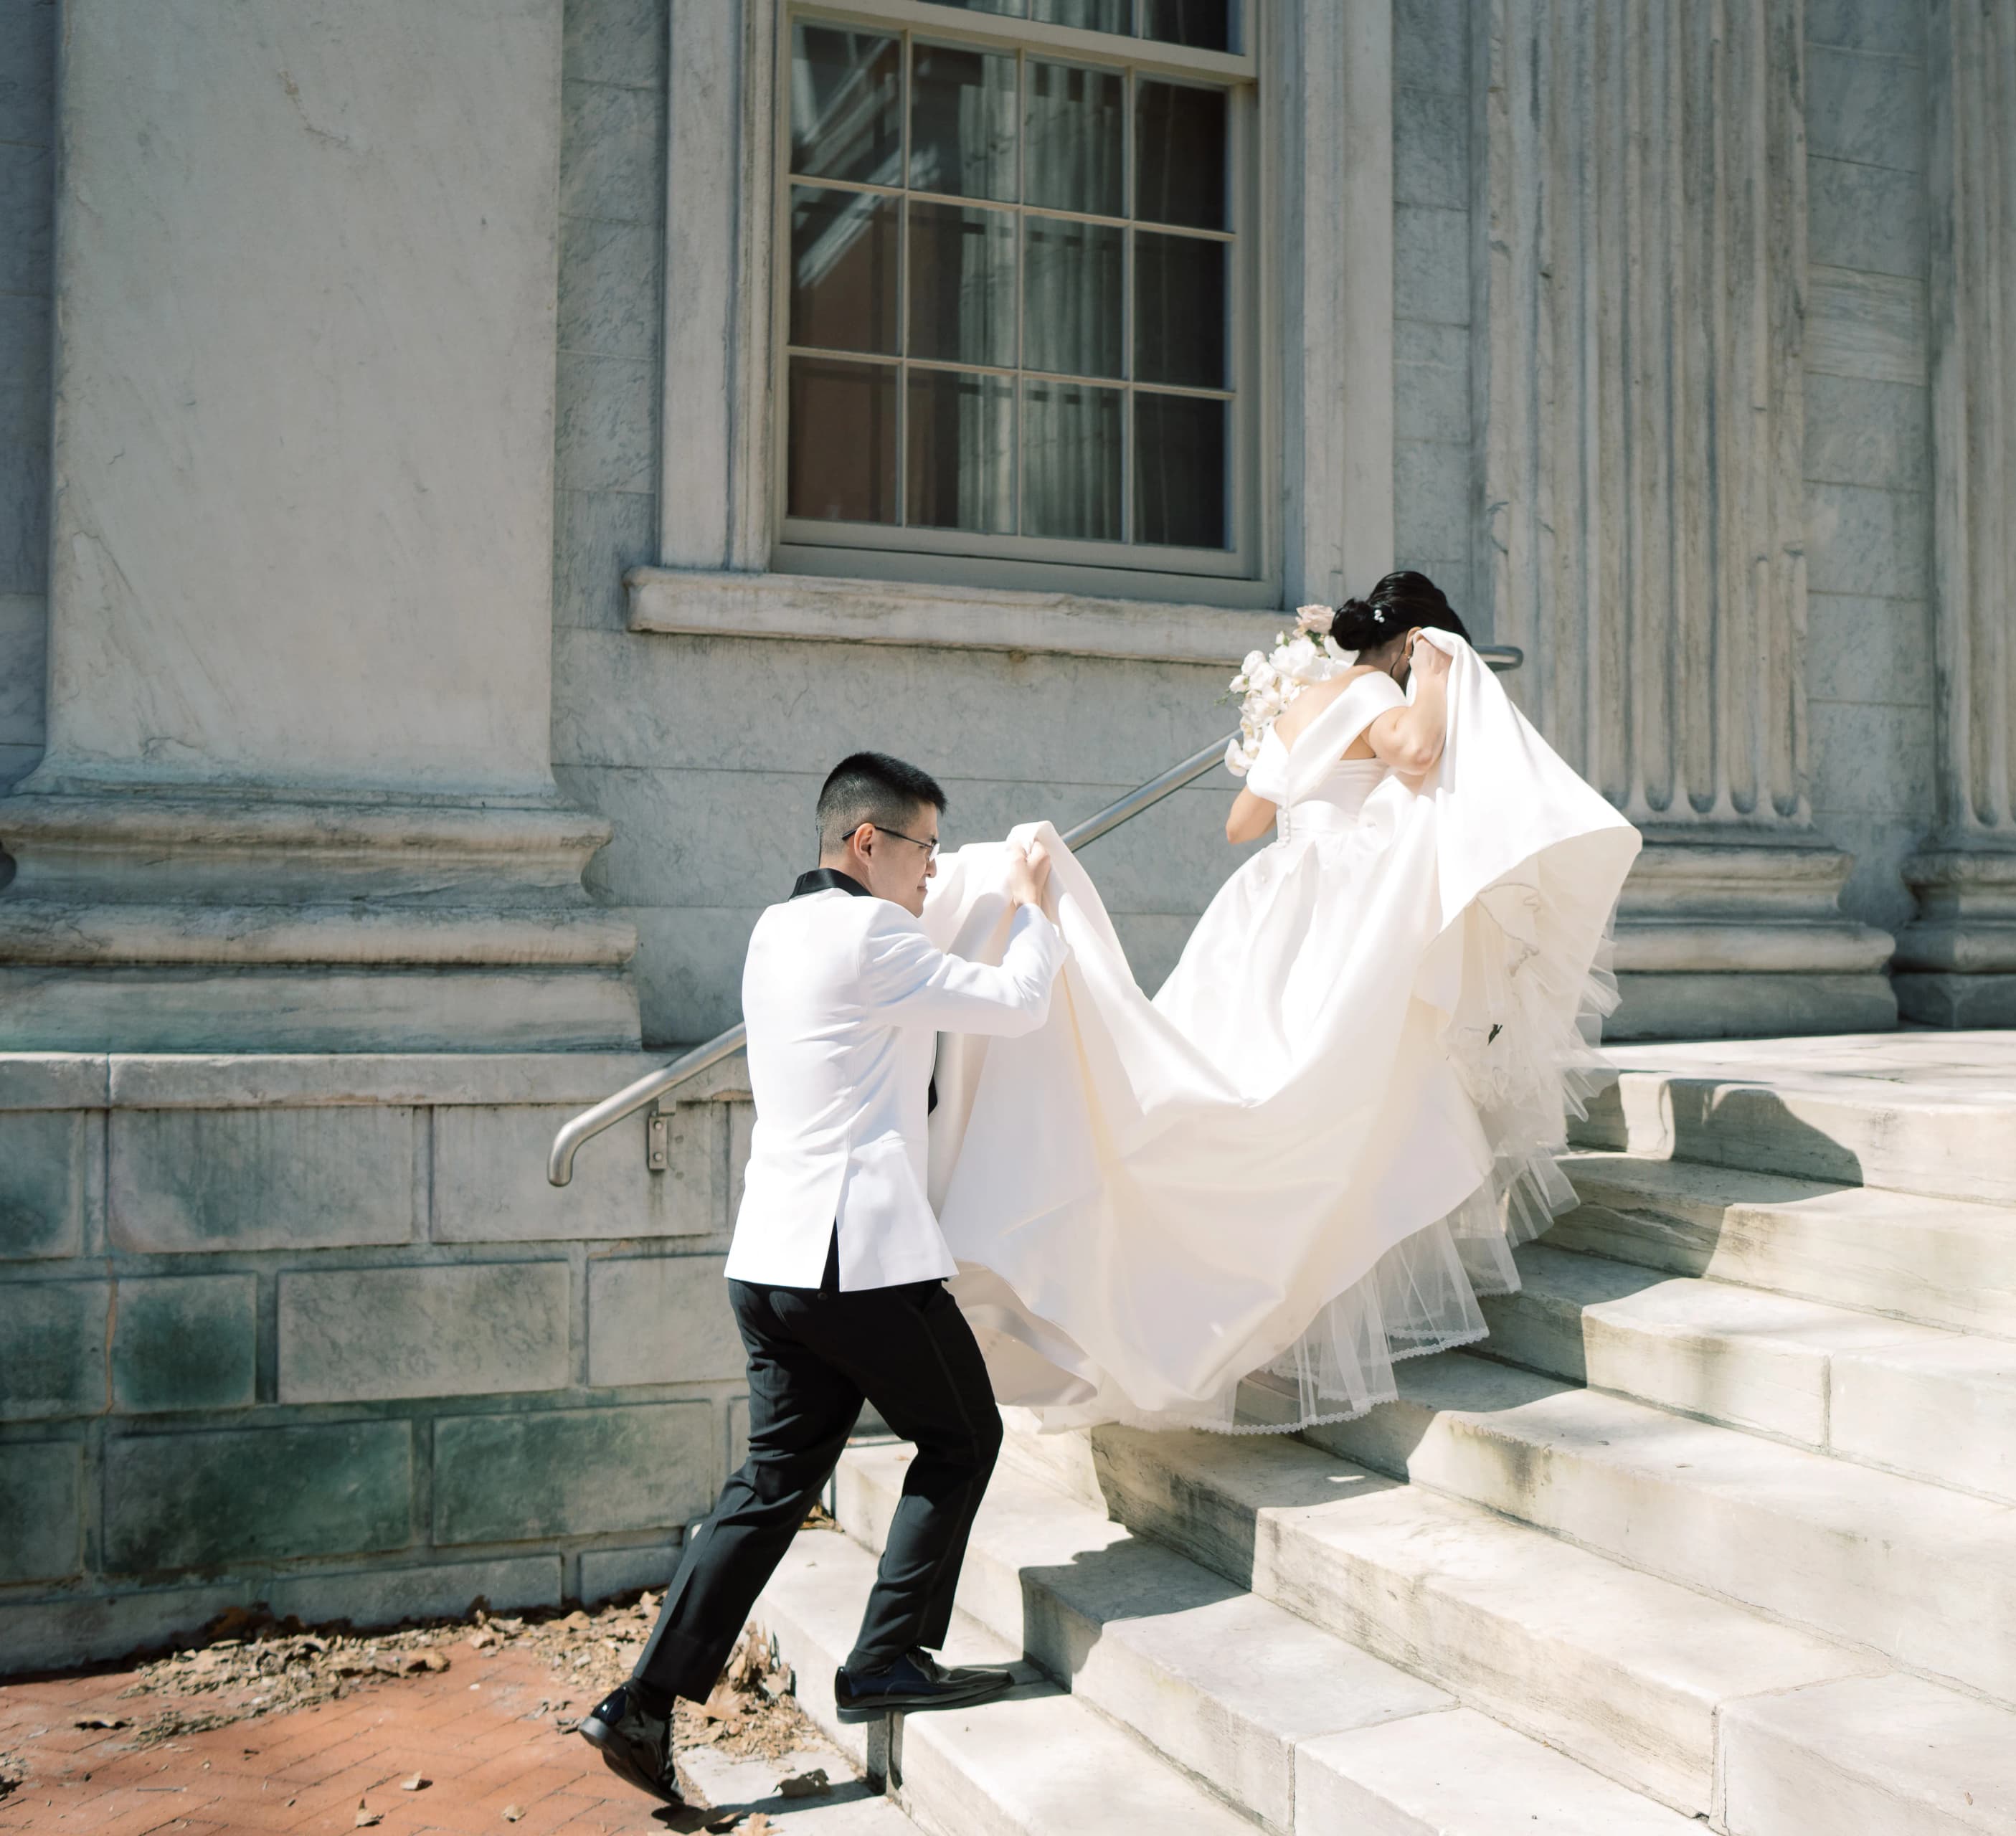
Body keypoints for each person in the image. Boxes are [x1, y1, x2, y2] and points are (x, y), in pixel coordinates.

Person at [925, 571, 1642, 1436]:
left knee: (1260, 1084)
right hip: (1341, 902)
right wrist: (1444, 674)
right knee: (1331, 1095)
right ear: (1410, 642)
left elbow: (1241, 822)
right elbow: (1416, 753)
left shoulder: (1302, 703)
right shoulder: (1383, 687)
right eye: (1424, 651)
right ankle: (1283, 1307)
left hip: (1270, 905)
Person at [579, 752, 1066, 1804]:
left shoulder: (775, 928)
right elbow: (1018, 1003)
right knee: (964, 1434)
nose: (934, 873)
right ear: (866, 843)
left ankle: (643, 1703)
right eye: (926, 848)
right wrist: (1033, 908)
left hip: (769, 1262)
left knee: (771, 1484)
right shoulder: (875, 933)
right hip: (857, 1260)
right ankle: (885, 1657)